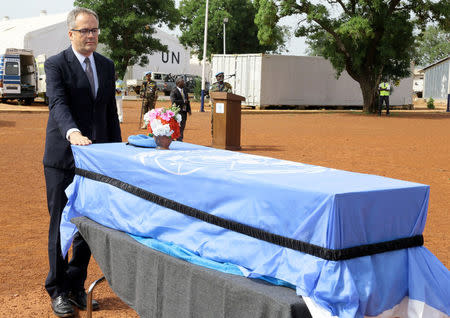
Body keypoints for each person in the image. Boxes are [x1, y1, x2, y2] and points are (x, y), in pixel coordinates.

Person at [43, 7, 122, 317]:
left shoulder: (106, 65)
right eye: (85, 31)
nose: (91, 36)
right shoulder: (55, 65)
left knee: (89, 225)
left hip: (95, 161)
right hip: (62, 158)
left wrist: (116, 153)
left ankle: (77, 284)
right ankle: (57, 288)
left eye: (95, 30)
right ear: (71, 33)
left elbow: (107, 114)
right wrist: (72, 132)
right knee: (61, 225)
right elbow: (58, 103)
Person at [209, 72, 232, 136]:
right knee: (214, 120)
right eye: (219, 76)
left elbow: (230, 95)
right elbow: (211, 96)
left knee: (225, 121)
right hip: (215, 107)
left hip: (225, 107)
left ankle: (224, 134)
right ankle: (214, 134)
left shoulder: (227, 86)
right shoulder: (213, 86)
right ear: (216, 78)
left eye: (222, 76)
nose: (221, 78)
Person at [170, 77, 191, 141]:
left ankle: (180, 138)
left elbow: (187, 100)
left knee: (182, 125)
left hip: (184, 111)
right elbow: (173, 101)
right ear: (178, 83)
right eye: (182, 82)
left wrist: (189, 110)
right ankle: (174, 138)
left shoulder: (184, 90)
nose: (184, 83)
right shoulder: (174, 91)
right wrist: (183, 102)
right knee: (176, 126)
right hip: (177, 111)